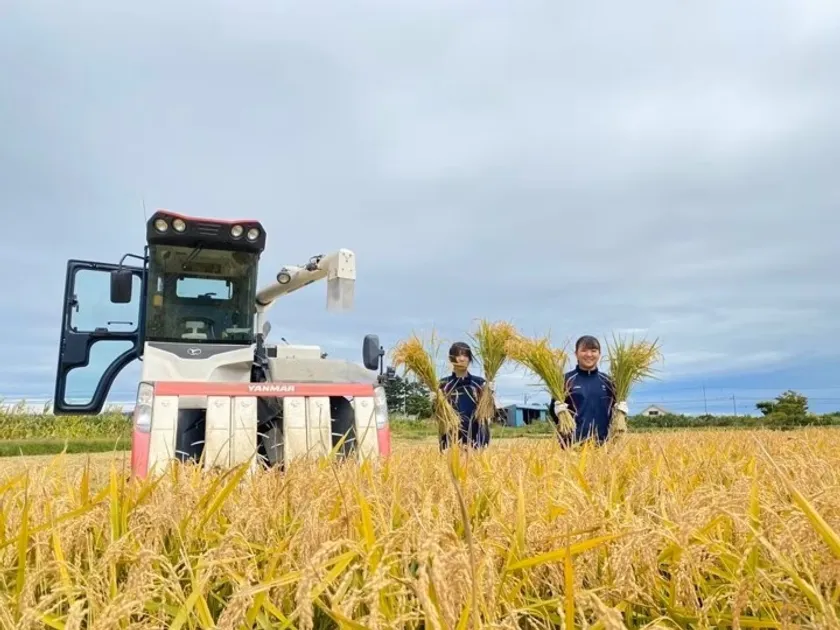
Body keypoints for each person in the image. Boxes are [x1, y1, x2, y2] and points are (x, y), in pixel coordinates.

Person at [547, 335, 629, 446]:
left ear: (599, 354)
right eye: (584, 350)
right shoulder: (564, 380)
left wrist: (622, 410)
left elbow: (616, 414)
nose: (589, 354)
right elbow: (553, 411)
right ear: (576, 354)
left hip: (604, 447)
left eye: (593, 351)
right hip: (572, 446)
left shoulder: (609, 382)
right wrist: (558, 412)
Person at [436, 341, 495, 450]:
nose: (462, 359)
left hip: (477, 438)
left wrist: (490, 394)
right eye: (458, 355)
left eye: (465, 355)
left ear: (470, 358)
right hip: (450, 439)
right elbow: (438, 415)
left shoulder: (479, 383)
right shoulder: (443, 385)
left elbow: (489, 412)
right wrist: (435, 400)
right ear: (451, 359)